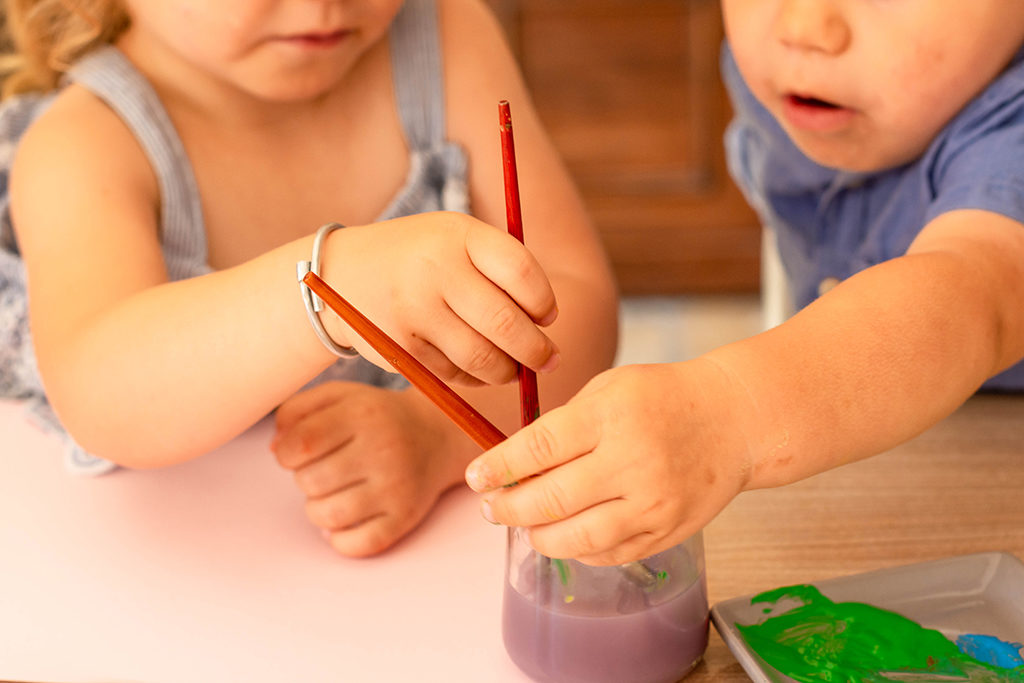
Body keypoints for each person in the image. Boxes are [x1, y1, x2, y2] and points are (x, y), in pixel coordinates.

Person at [0, 0, 617, 557]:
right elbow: (102, 396)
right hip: (172, 579)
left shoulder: (447, 35)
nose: (324, 4)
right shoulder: (83, 142)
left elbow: (576, 296)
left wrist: (437, 434)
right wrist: (330, 287)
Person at [465, 0, 1024, 566]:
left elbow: (978, 295)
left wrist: (727, 411)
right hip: (884, 477)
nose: (804, 27)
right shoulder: (800, 79)